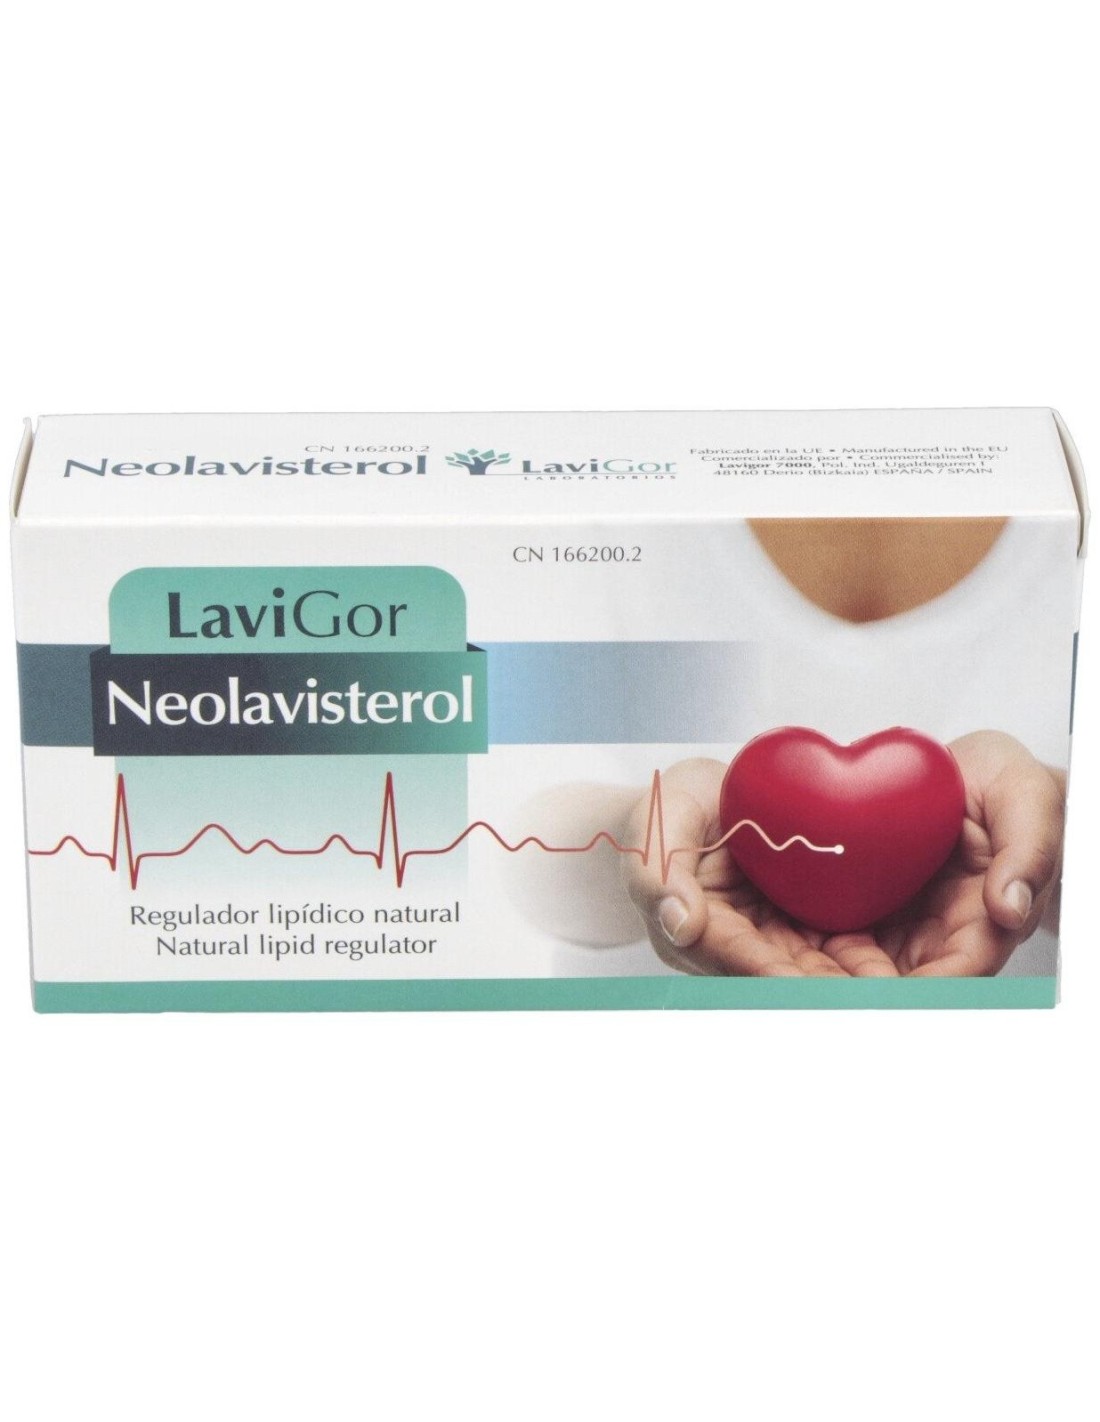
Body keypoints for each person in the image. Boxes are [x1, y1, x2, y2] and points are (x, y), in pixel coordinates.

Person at [501, 517, 1070, 978]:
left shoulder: (1068, 503)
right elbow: (509, 836)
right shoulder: (601, 500)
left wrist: (1052, 834)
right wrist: (639, 834)